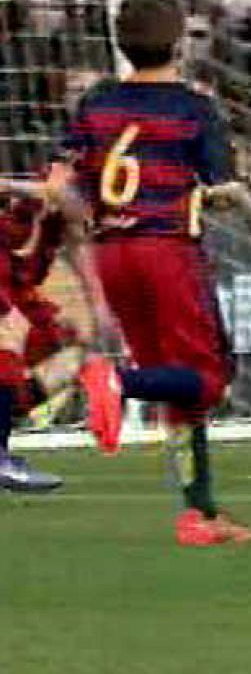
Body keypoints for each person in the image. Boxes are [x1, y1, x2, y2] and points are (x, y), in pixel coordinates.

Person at [54, 0, 251, 546]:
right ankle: (114, 381)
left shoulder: (97, 102)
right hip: (166, 250)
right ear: (179, 43)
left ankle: (198, 515)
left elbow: (65, 185)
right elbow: (222, 187)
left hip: (112, 253)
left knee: (177, 388)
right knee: (210, 378)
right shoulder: (193, 106)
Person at [0, 175, 116, 493]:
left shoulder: (74, 212)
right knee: (9, 341)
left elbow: (79, 243)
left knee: (69, 357)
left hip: (20, 288)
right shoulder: (50, 187)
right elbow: (62, 195)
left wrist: (99, 304)